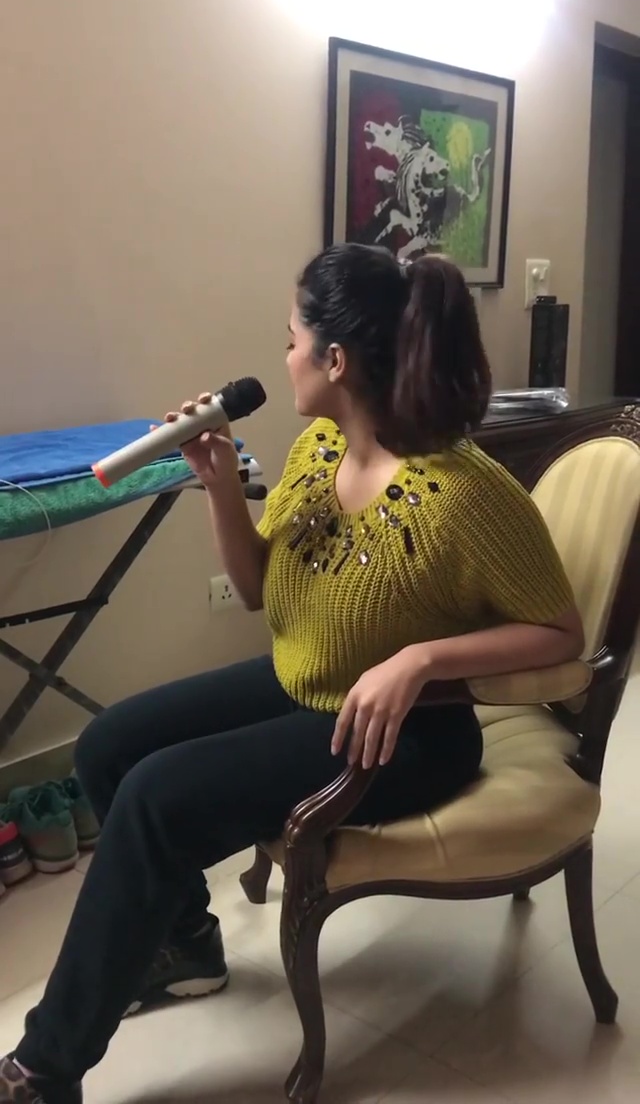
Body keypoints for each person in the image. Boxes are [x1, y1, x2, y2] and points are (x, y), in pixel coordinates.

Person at [1, 245, 584, 1103]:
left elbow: (561, 631)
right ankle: (185, 945)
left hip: (407, 733)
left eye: (291, 339)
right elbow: (255, 591)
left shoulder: (468, 491)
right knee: (109, 746)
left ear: (335, 360)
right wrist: (217, 485)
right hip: (304, 681)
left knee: (156, 798)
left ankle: (43, 1070)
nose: (283, 356)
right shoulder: (318, 449)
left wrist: (423, 658)